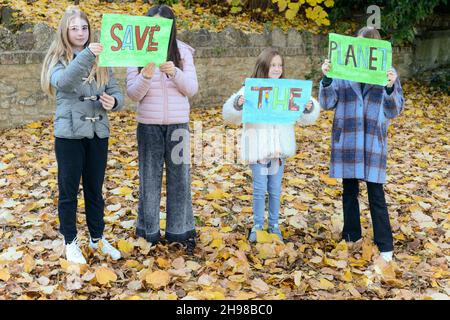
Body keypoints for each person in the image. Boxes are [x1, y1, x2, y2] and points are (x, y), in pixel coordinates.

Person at [41, 7, 124, 264]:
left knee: (94, 190)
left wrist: (115, 102)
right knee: (68, 191)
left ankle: (97, 239)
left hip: (98, 131)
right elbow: (65, 82)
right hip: (69, 135)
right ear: (65, 31)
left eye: (84, 27)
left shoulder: (101, 58)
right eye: (74, 28)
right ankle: (70, 242)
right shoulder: (57, 58)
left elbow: (115, 89)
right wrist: (88, 54)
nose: (80, 32)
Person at [319, 26, 405, 262]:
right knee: (349, 189)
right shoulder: (343, 69)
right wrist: (327, 79)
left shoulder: (387, 72)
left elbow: (394, 109)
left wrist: (389, 87)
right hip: (348, 136)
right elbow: (328, 102)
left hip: (372, 140)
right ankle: (351, 236)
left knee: (375, 191)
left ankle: (385, 245)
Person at [223, 47, 320, 242]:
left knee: (275, 189)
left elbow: (306, 114)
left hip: (278, 150)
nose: (277, 69)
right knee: (259, 189)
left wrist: (309, 108)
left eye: (280, 65)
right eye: (273, 65)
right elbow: (229, 114)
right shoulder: (251, 89)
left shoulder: (287, 89)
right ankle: (258, 225)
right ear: (264, 66)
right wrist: (238, 104)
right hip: (259, 149)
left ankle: (274, 225)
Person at [126, 5, 198, 254]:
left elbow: (191, 88)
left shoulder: (183, 51)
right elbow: (133, 94)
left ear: (170, 26)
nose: (157, 30)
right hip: (148, 125)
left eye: (162, 25)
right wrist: (146, 76)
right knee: (149, 179)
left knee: (180, 180)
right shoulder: (136, 53)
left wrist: (174, 72)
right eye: (152, 25)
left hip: (179, 125)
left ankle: (181, 231)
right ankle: (148, 232)